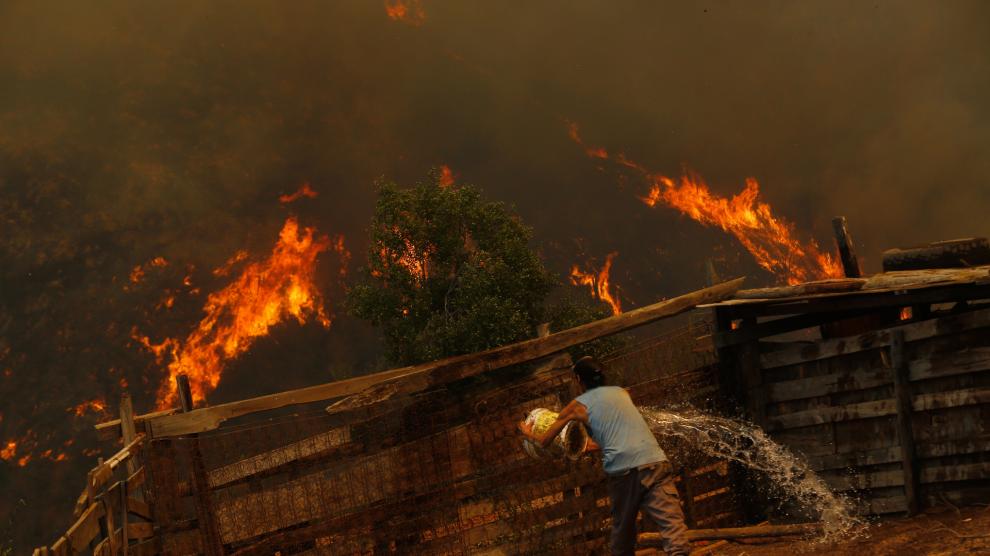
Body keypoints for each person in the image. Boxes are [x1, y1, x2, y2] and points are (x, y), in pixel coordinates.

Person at [518, 356, 690, 556]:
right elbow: (615, 436)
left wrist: (527, 433)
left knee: (623, 535)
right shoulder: (622, 393)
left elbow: (544, 442)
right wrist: (583, 446)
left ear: (578, 380)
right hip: (655, 461)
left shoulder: (577, 406)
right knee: (672, 526)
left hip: (624, 472)